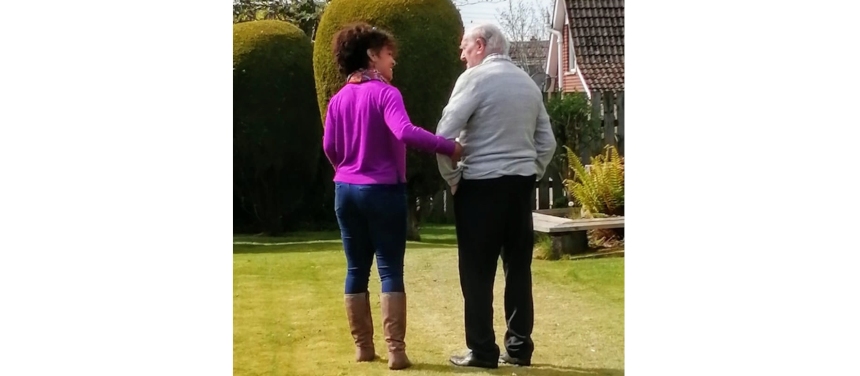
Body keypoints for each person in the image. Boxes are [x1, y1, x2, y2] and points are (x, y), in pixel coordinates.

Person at [322, 22, 463, 370]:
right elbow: (405, 132)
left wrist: (346, 168)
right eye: (388, 55)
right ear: (372, 56)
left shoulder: (338, 99)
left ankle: (363, 348)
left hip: (346, 191)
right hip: (383, 190)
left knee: (355, 269)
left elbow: (329, 147)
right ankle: (396, 351)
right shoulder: (386, 93)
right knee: (389, 270)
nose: (392, 63)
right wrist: (451, 147)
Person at [435, 23, 557, 369]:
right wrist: (530, 171)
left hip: (479, 187)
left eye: (463, 47)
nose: (461, 55)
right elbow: (547, 143)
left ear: (480, 45)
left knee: (476, 272)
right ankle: (519, 349)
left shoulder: (474, 80)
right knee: (518, 269)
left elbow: (443, 136)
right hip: (519, 187)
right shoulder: (528, 84)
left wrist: (453, 178)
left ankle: (483, 350)